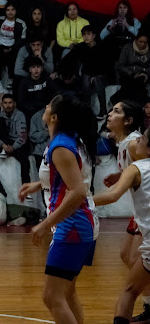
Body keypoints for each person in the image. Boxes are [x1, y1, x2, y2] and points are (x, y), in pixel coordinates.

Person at [19, 94, 98, 324]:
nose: (44, 106)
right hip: (82, 222)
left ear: (53, 117)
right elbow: (70, 177)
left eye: (48, 105)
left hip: (73, 224)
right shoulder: (68, 139)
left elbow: (77, 192)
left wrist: (45, 224)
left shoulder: (61, 146)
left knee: (51, 297)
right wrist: (37, 185)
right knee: (67, 292)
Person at [93, 127, 150, 324]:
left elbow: (112, 195)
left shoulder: (137, 167)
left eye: (142, 139)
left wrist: (80, 202)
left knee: (129, 290)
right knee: (128, 256)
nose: (137, 142)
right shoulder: (130, 163)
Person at [65, 25, 116, 119]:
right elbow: (68, 59)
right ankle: (86, 111)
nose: (86, 37)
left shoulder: (101, 47)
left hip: (102, 76)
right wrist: (58, 72)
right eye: (84, 34)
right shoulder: (81, 47)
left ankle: (103, 111)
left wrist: (94, 75)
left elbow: (106, 67)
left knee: (96, 79)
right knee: (86, 78)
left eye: (88, 34)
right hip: (87, 76)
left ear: (94, 35)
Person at [0, 94, 30, 184]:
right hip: (4, 143)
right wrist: (2, 145)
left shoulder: (20, 115)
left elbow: (23, 135)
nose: (8, 105)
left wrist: (14, 147)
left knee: (25, 161)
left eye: (10, 103)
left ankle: (26, 189)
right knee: (0, 121)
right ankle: (4, 151)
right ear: (2, 104)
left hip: (17, 144)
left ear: (14, 104)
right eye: (5, 103)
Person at [0, 2, 27, 80]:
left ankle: (11, 80)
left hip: (13, 46)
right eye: (8, 10)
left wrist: (12, 48)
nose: (10, 12)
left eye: (12, 10)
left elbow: (22, 40)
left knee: (13, 56)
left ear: (16, 11)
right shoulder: (0, 20)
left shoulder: (21, 23)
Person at [17, 56, 57, 123]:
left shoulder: (46, 80)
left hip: (45, 110)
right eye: (33, 67)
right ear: (30, 69)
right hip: (30, 112)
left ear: (41, 68)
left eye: (38, 67)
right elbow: (21, 100)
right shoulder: (24, 82)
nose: (36, 70)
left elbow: (55, 91)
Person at [113, 35, 150, 105]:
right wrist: (132, 73)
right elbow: (120, 65)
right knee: (134, 84)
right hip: (128, 74)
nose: (143, 44)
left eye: (145, 42)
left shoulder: (149, 50)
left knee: (139, 83)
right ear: (136, 40)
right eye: (141, 42)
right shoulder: (127, 48)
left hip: (144, 75)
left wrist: (146, 74)